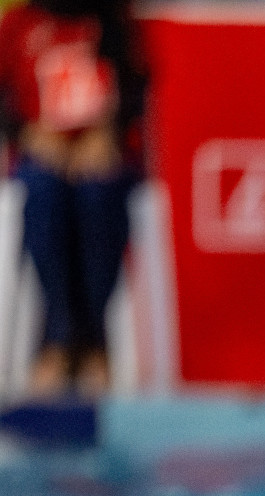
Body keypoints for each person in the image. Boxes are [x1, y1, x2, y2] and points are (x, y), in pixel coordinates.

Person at [0, 0, 144, 398]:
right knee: (43, 194)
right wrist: (29, 135)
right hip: (39, 153)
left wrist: (107, 135)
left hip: (103, 155)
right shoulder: (19, 24)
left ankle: (94, 340)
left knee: (97, 195)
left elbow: (137, 89)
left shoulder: (112, 20)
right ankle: (59, 339)